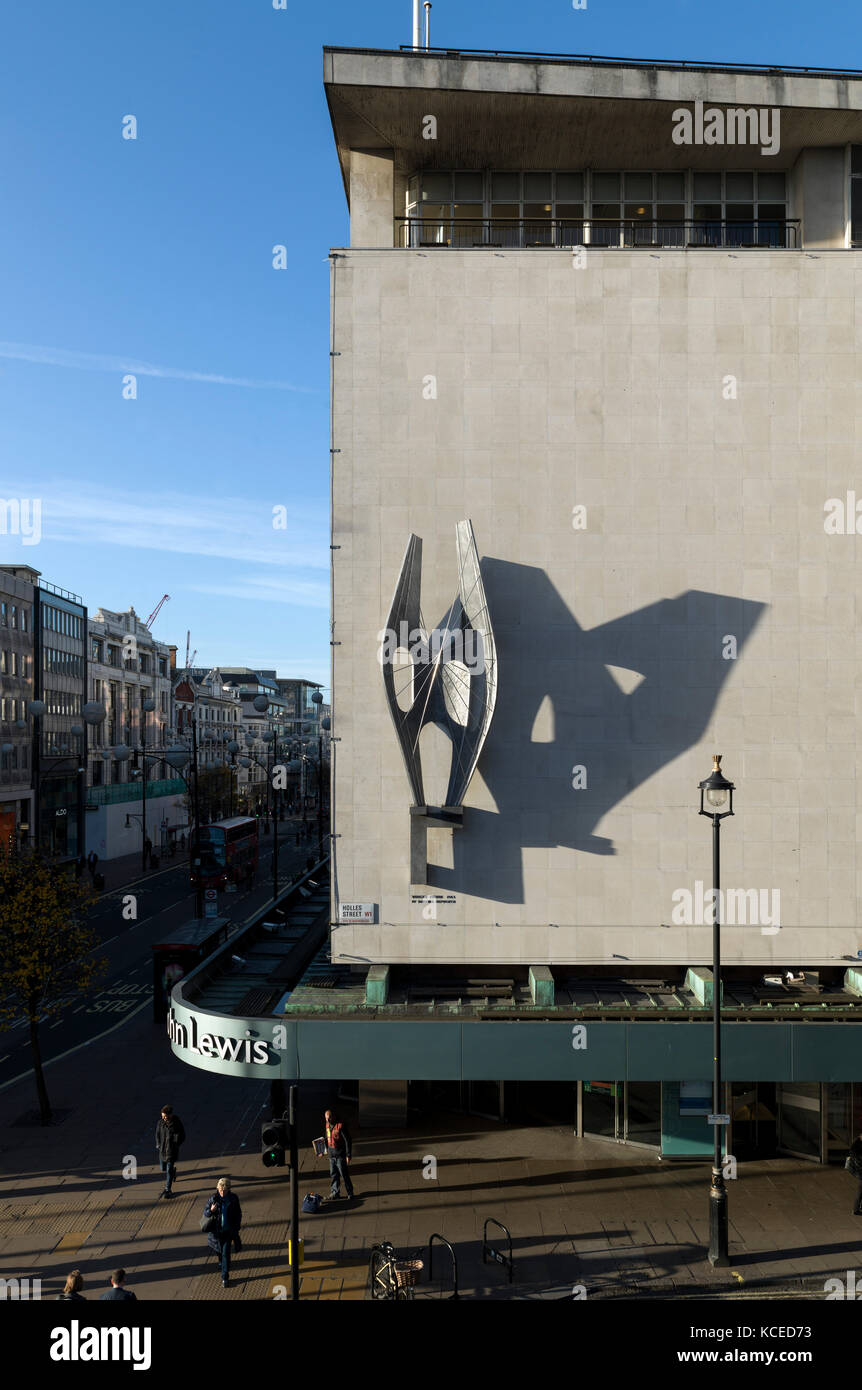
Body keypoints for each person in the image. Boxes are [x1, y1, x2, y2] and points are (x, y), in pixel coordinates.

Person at [204, 1177, 242, 1288]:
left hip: (228, 1232)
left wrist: (236, 1227)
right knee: (219, 1251)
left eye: (224, 1191)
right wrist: (211, 1210)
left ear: (228, 1189)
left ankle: (225, 1277)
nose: (222, 1193)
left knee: (226, 1253)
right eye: (220, 1190)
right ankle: (221, 1262)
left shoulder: (233, 1199)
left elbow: (238, 1214)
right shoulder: (213, 1199)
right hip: (216, 1232)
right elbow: (206, 1213)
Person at [155, 1103, 186, 1199]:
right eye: (162, 1116)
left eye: (165, 1117)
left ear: (170, 1115)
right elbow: (157, 1134)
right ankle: (173, 1171)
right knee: (163, 1168)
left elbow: (182, 1135)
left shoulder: (176, 1124)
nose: (164, 1118)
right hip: (162, 1150)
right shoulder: (160, 1123)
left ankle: (168, 1189)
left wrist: (176, 1143)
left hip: (171, 1151)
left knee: (168, 1170)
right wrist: (158, 1144)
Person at [324, 1108, 354, 1200]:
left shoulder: (340, 1126)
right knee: (333, 1174)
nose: (327, 1120)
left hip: (340, 1155)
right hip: (331, 1155)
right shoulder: (327, 1126)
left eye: (329, 1118)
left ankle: (350, 1192)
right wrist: (323, 1150)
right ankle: (335, 1192)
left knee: (344, 1174)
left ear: (333, 1116)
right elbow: (326, 1138)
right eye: (326, 1118)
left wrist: (348, 1155)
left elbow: (348, 1140)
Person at [849, 1131, 862, 1216]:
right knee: (860, 1190)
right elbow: (857, 1159)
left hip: (860, 1169)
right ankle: (856, 1209)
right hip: (860, 1169)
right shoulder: (856, 1145)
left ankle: (858, 1208)